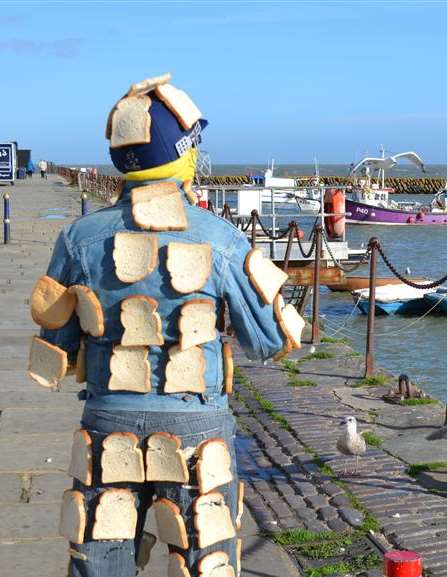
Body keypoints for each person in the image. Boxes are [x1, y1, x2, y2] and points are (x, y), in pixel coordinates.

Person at [28, 73, 298, 577]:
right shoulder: (220, 237)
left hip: (108, 416)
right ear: (186, 155)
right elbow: (270, 340)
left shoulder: (77, 237)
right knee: (204, 555)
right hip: (196, 422)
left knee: (101, 553)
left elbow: (57, 347)